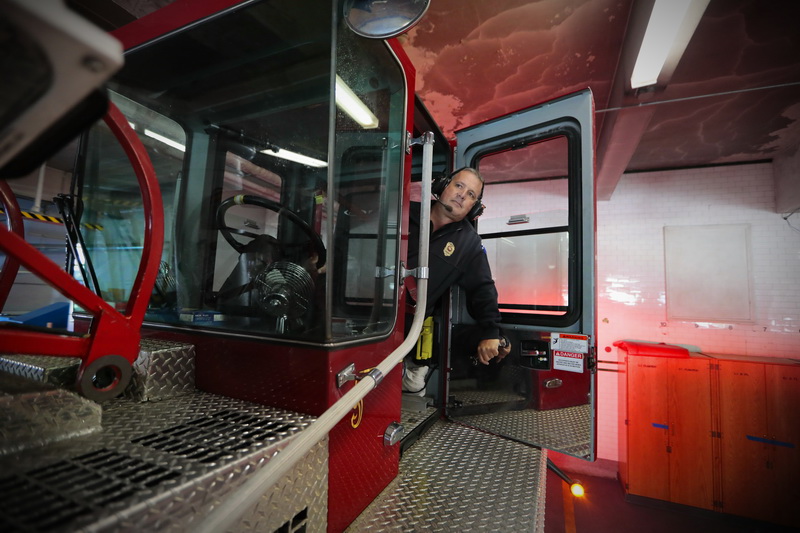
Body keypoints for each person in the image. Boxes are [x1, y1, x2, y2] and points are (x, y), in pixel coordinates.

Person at [403, 167, 510, 394]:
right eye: (459, 186)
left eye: (471, 194)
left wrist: (492, 332)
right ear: (442, 186)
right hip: (366, 315)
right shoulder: (403, 214)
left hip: (406, 332)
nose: (462, 195)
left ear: (475, 207)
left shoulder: (469, 244)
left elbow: (483, 289)